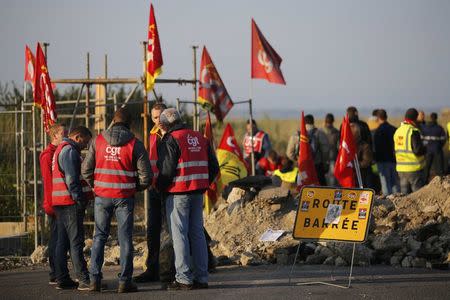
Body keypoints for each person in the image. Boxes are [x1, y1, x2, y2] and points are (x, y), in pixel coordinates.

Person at [82, 108, 151, 293]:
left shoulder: (98, 141)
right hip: (124, 197)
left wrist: (95, 186)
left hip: (102, 196)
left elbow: (85, 170)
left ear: (113, 121)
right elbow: (146, 176)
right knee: (125, 239)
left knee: (99, 236)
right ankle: (124, 281)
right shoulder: (135, 144)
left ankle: (94, 280)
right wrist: (135, 187)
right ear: (129, 124)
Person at [156, 108, 219, 290]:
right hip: (198, 192)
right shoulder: (200, 137)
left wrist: (160, 188)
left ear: (166, 125)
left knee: (180, 235)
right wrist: (202, 183)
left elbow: (166, 171)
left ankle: (183, 278)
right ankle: (202, 278)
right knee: (197, 234)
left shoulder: (171, 139)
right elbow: (214, 167)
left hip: (178, 194)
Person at [52, 126, 94, 290]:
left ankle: (62, 278)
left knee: (62, 241)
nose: (86, 145)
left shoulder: (60, 149)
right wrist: (79, 199)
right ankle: (84, 279)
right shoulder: (69, 151)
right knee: (76, 241)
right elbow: (71, 180)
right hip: (70, 202)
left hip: (60, 201)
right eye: (85, 141)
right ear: (77, 137)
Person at [134, 102, 167, 283]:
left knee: (177, 230)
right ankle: (152, 268)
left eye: (160, 116)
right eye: (154, 117)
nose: (158, 120)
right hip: (155, 189)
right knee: (153, 230)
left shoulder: (174, 134)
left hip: (171, 190)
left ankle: (202, 262)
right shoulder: (153, 135)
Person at [39, 123, 65, 285]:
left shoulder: (58, 152)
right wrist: (52, 204)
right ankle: (55, 272)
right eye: (63, 133)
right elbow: (49, 182)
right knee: (56, 237)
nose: (66, 135)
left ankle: (57, 271)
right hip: (55, 203)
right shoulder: (48, 155)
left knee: (58, 236)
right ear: (55, 135)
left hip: (58, 201)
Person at [286, 114, 329, 185]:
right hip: (317, 166)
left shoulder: (296, 135)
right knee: (321, 188)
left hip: (302, 166)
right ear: (313, 122)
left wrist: (298, 160)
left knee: (303, 187)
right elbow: (325, 151)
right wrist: (324, 162)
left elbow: (289, 153)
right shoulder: (320, 133)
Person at [393, 108, 426, 194]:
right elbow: (418, 150)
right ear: (415, 118)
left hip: (401, 168)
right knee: (418, 195)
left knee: (405, 197)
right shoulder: (413, 131)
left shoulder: (398, 131)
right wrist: (425, 148)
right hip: (414, 169)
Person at [374, 109, 399, 195]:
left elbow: (376, 147)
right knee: (395, 183)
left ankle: (388, 203)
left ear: (378, 118)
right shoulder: (394, 129)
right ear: (386, 117)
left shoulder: (377, 132)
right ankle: (399, 202)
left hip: (382, 161)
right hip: (393, 160)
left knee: (385, 184)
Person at [421, 112, 446, 181]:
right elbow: (443, 139)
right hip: (437, 150)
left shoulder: (425, 128)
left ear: (430, 118)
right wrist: (439, 146)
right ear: (436, 118)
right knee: (439, 168)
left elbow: (422, 139)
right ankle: (441, 182)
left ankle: (425, 183)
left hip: (428, 150)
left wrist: (426, 146)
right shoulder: (439, 128)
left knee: (427, 168)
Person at [350, 122, 375, 189]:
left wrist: (352, 165)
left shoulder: (365, 146)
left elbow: (366, 162)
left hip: (363, 178)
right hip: (351, 179)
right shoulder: (346, 147)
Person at [321, 113, 339, 186]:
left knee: (323, 176)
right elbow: (339, 146)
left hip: (322, 158)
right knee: (332, 177)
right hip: (333, 157)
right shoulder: (336, 132)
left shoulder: (320, 131)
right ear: (333, 121)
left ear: (325, 121)